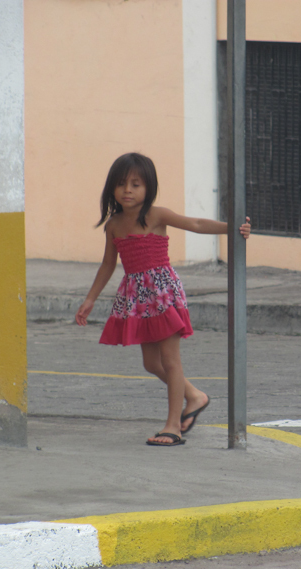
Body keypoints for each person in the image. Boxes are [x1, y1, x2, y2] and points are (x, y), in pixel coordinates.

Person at [75, 152, 251, 447]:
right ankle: (194, 396)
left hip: (162, 293)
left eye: (136, 184)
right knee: (150, 363)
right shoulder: (114, 225)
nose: (128, 190)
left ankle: (173, 426)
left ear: (149, 188)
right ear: (111, 189)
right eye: (121, 184)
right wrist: (90, 299)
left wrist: (232, 227)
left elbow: (195, 223)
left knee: (170, 360)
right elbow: (108, 264)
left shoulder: (157, 215)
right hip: (137, 298)